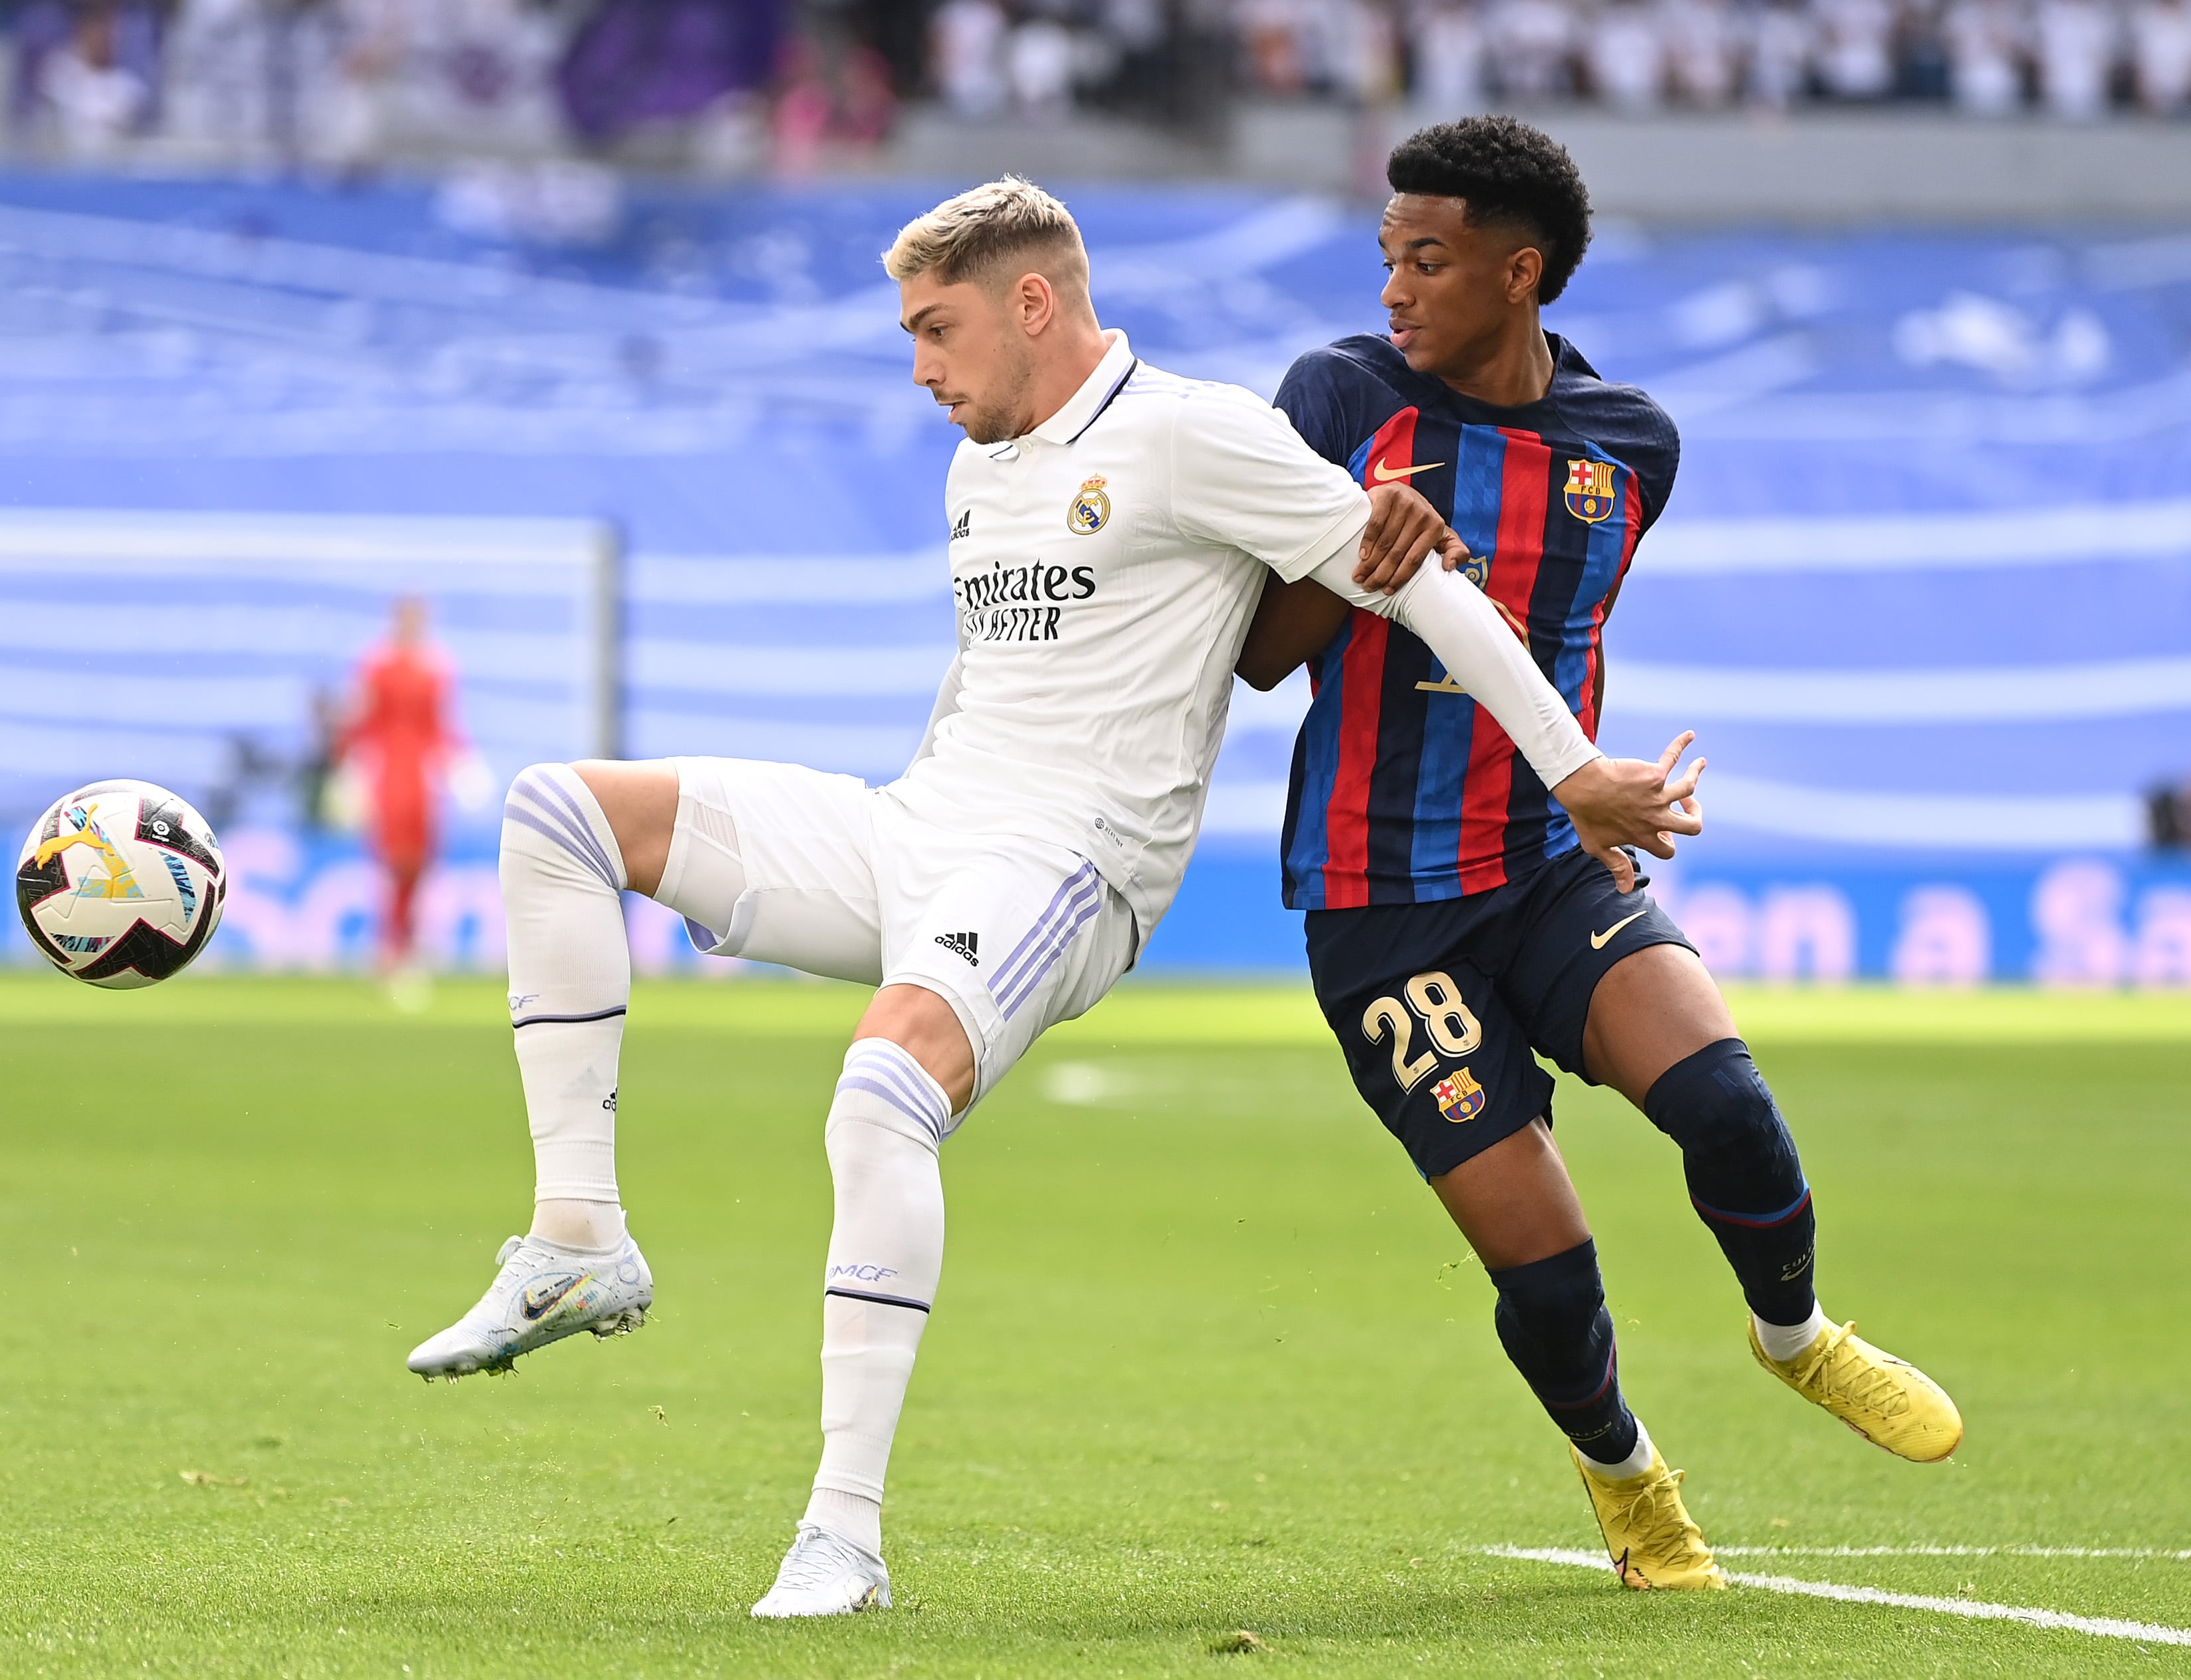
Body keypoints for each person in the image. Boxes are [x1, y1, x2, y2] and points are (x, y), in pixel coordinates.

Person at [402, 176, 1700, 1618]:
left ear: (1034, 302)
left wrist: (1576, 770)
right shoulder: (983, 468)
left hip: (1070, 863)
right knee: (559, 812)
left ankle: (841, 1537)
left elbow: (1422, 581)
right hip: (924, 827)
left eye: (935, 329)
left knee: (878, 1099)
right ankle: (579, 1241)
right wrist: (903, 839)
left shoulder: (1194, 432)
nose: (920, 368)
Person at [1235, 116, 1964, 1593]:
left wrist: (1586, 791)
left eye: (1425, 262)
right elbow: (1258, 657)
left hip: (1547, 870)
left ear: (1522, 274)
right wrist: (1351, 564)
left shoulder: (1633, 444)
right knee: (1547, 1263)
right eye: (1385, 257)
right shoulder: (1334, 397)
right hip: (1382, 909)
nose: (1393, 290)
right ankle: (1633, 1490)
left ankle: (1796, 1335)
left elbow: (1575, 634)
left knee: (1730, 1107)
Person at [339, 596, 462, 974]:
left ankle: (408, 943)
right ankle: (390, 948)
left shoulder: (437, 669)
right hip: (390, 772)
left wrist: (458, 764)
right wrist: (350, 766)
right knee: (395, 862)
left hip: (423, 777)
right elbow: (361, 719)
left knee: (420, 864)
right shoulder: (377, 667)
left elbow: (441, 725)